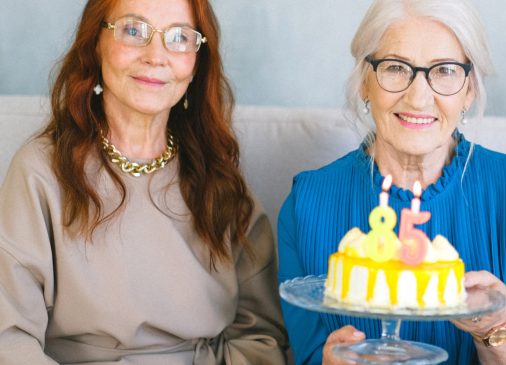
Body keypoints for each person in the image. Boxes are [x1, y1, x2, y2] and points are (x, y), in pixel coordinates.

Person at [0, 0, 290, 363]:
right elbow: (8, 339)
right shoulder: (41, 171)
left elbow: (261, 335)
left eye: (179, 37)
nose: (156, 55)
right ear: (96, 43)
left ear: (198, 62)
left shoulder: (218, 175)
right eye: (133, 30)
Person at [277, 0, 506, 364]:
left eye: (444, 71)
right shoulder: (306, 205)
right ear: (366, 81)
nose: (418, 96)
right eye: (396, 68)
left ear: (469, 89)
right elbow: (308, 356)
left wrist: (496, 329)